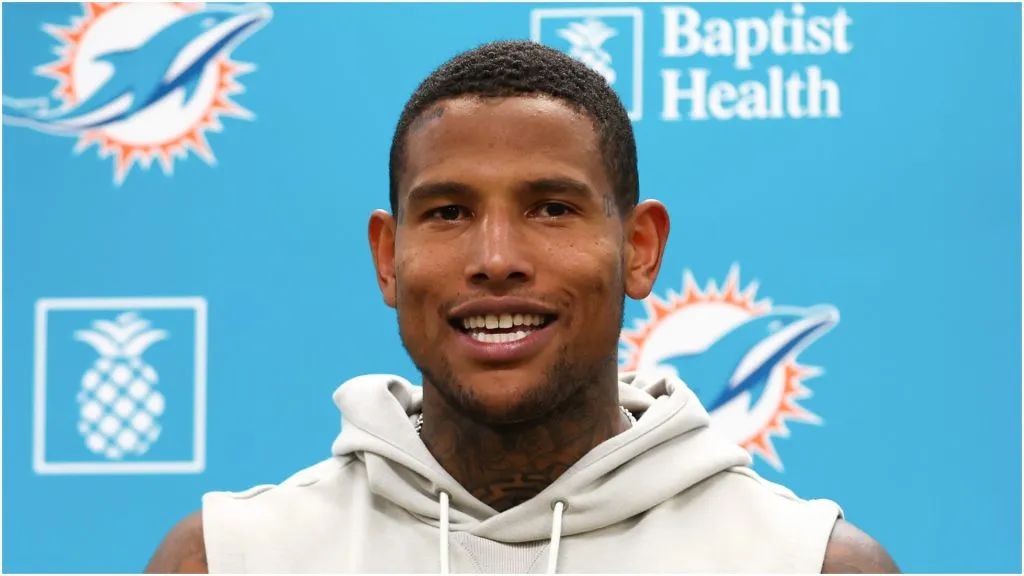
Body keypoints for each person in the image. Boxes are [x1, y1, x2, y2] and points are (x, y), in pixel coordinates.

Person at [144, 40, 900, 574]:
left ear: (639, 248)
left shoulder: (810, 565)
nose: (496, 257)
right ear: (387, 257)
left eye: (550, 209)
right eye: (447, 212)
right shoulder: (227, 559)